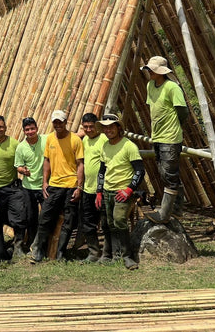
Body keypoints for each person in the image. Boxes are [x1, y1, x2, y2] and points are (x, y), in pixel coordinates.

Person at [29, 110, 83, 263]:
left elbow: (80, 164)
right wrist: (45, 181)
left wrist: (79, 187)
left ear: (66, 122)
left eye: (61, 122)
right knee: (45, 216)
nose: (58, 125)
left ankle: (60, 252)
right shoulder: (50, 139)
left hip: (71, 185)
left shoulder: (75, 140)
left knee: (69, 219)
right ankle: (39, 249)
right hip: (54, 184)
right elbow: (47, 161)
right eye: (55, 122)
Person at [141, 55, 188, 223]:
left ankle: (166, 214)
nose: (149, 72)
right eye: (149, 69)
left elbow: (183, 111)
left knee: (169, 174)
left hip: (170, 137)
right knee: (166, 173)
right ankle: (177, 209)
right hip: (158, 136)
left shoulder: (172, 87)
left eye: (152, 69)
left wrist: (175, 125)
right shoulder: (150, 85)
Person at [95, 113, 145, 270]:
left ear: (118, 127)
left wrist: (129, 190)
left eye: (111, 126)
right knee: (109, 224)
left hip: (122, 191)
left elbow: (140, 171)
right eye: (105, 127)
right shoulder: (105, 146)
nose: (108, 129)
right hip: (107, 191)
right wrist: (98, 191)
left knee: (119, 220)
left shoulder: (129, 146)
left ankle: (128, 256)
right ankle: (111, 255)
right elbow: (102, 171)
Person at [79, 113, 109, 262]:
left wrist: (101, 188)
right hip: (87, 189)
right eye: (86, 127)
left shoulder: (104, 139)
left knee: (106, 222)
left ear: (97, 126)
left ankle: (108, 253)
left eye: (91, 126)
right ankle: (93, 252)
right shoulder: (84, 139)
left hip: (102, 189)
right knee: (88, 223)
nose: (89, 129)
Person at [14, 117, 46, 254]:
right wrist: (23, 171)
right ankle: (33, 244)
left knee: (46, 216)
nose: (30, 131)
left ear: (37, 128)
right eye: (27, 129)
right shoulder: (21, 147)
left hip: (45, 185)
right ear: (24, 131)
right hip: (28, 188)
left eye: (32, 128)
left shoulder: (46, 140)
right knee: (31, 217)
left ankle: (45, 244)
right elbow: (18, 166)